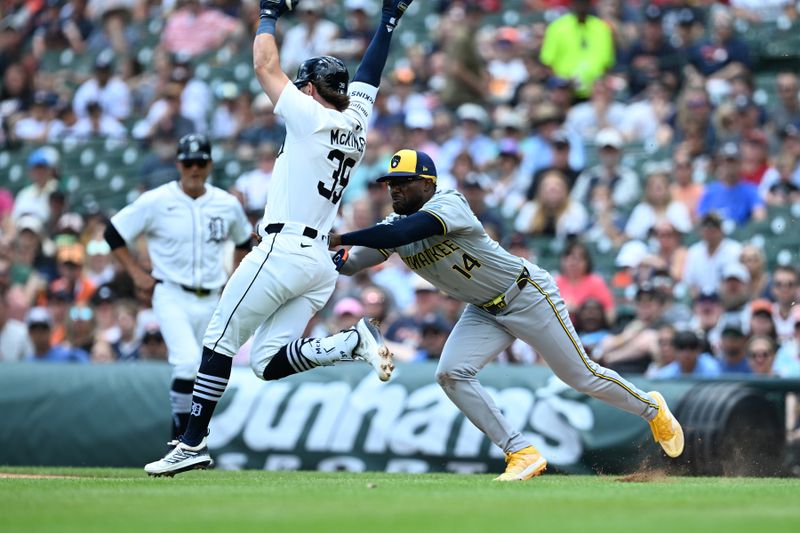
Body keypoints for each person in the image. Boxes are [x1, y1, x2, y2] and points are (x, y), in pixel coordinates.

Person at [144, 0, 414, 477]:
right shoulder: (355, 122)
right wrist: (389, 18)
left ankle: (191, 442)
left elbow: (263, 64)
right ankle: (349, 344)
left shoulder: (310, 115)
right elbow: (372, 71)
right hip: (318, 263)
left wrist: (269, 13)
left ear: (309, 88)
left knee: (219, 341)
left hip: (284, 249)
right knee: (266, 363)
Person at [330, 148, 684, 481]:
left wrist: (341, 235)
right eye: (390, 183)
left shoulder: (448, 203)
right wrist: (313, 247)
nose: (394, 189)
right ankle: (520, 452)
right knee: (451, 373)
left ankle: (652, 409)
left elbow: (405, 231)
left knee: (580, 376)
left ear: (427, 184)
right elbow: (348, 264)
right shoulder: (391, 226)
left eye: (403, 182)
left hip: (526, 295)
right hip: (484, 310)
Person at [104, 133, 253, 443]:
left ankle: (190, 442)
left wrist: (234, 277)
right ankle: (182, 441)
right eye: (188, 163)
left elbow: (242, 240)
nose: (194, 169)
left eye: (200, 162)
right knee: (186, 364)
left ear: (210, 164)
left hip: (214, 296)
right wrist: (134, 272)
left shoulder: (225, 204)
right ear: (178, 164)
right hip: (171, 292)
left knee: (206, 373)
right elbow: (113, 231)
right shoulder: (157, 200)